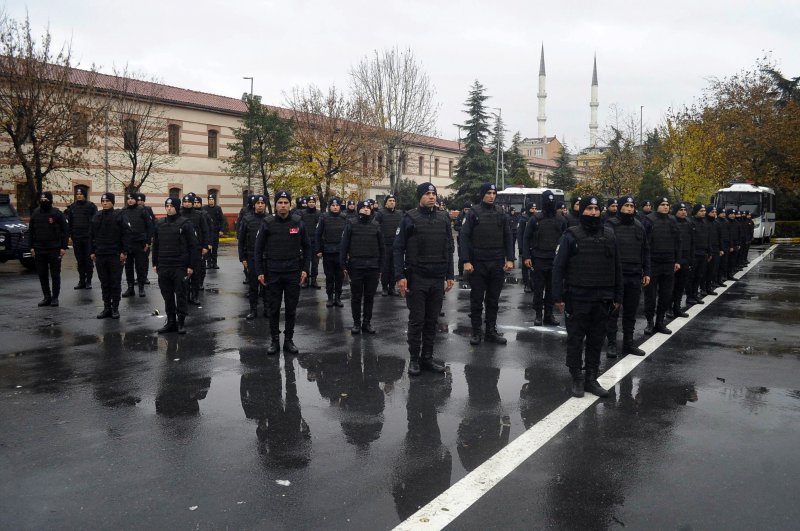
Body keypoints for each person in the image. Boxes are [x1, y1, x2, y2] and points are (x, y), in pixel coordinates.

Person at [552, 196, 622, 398]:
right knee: (575, 340)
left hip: (602, 297)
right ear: (582, 211)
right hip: (577, 297)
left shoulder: (610, 235)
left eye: (596, 209)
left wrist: (618, 296)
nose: (593, 212)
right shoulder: (571, 235)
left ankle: (591, 378)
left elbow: (617, 267)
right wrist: (558, 297)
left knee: (596, 340)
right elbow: (558, 268)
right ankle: (577, 377)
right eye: (589, 209)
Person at [394, 182, 455, 376]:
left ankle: (427, 358)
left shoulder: (444, 218)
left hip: (437, 278)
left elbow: (448, 248)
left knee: (432, 321)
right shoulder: (409, 218)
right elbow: (398, 248)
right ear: (420, 196)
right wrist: (400, 276)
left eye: (433, 193)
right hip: (417, 277)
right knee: (417, 321)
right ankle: (414, 360)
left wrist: (450, 275)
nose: (431, 196)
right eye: (427, 193)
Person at [254, 191, 312, 355]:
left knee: (291, 308)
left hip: (293, 272)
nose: (283, 205)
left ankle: (289, 340)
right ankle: (274, 341)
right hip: (273, 272)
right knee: (273, 308)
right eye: (280, 202)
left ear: (290, 204)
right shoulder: (267, 222)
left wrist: (305, 269)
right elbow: (258, 249)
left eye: (286, 202)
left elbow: (308, 247)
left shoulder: (298, 222)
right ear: (275, 204)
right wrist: (259, 272)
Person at [460, 183, 515, 345]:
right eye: (489, 193)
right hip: (478, 264)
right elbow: (464, 237)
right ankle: (476, 331)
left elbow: (508, 236)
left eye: (494, 193)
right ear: (482, 194)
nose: (492, 196)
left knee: (493, 300)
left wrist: (510, 259)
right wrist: (466, 261)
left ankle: (490, 331)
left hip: (497, 263)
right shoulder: (473, 213)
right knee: (477, 299)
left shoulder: (501, 213)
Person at [605, 196, 650, 357]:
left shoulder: (639, 226)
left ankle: (628, 343)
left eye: (632, 206)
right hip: (616, 276)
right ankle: (611, 344)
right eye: (626, 206)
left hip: (634, 275)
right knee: (613, 312)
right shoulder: (610, 225)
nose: (630, 209)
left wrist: (647, 272)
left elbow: (645, 250)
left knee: (631, 312)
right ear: (620, 208)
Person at [152, 197, 198, 334]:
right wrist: (155, 263)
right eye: (167, 205)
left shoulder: (185, 224)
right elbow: (156, 245)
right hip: (164, 265)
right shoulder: (160, 224)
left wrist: (191, 266)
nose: (169, 208)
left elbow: (193, 246)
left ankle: (181, 322)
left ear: (177, 207)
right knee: (167, 295)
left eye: (171, 205)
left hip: (179, 266)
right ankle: (170, 322)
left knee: (181, 294)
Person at [522, 191, 565, 327]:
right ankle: (538, 315)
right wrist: (526, 256)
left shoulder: (561, 219)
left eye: (552, 202)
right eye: (548, 202)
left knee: (551, 289)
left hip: (555, 260)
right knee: (539, 289)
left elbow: (564, 240)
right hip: (539, 258)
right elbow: (526, 237)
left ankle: (548, 314)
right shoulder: (535, 219)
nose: (550, 204)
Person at [341, 200, 384, 334]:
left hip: (372, 267)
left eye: (368, 207)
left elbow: (382, 248)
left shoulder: (376, 225)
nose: (366, 209)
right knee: (356, 297)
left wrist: (381, 267)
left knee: (369, 297)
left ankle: (367, 323)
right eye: (363, 207)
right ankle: (356, 323)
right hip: (357, 267)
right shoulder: (351, 224)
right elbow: (344, 246)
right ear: (358, 209)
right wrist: (343, 265)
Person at [644, 196, 680, 335]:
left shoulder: (672, 220)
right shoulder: (649, 220)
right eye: (663, 204)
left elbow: (677, 242)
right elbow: (644, 243)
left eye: (667, 204)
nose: (666, 207)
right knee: (650, 296)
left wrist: (676, 260)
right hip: (653, 263)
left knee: (666, 295)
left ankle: (660, 322)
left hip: (668, 263)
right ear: (656, 206)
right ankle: (649, 322)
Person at [90, 193, 129, 319]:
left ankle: (115, 308)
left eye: (107, 200)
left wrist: (124, 252)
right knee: (104, 283)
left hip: (115, 255)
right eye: (103, 201)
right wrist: (92, 251)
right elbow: (91, 235)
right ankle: (106, 307)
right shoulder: (97, 216)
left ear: (112, 202)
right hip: (101, 254)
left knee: (115, 282)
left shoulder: (119, 215)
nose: (104, 203)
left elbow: (126, 234)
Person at [29, 191, 68, 307]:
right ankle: (47, 297)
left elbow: (65, 230)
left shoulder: (57, 213)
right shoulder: (35, 213)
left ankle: (55, 298)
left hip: (54, 249)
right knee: (42, 274)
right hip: (39, 249)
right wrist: (31, 247)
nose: (43, 202)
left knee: (55, 274)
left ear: (50, 201)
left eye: (45, 200)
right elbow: (31, 231)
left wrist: (63, 247)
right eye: (41, 200)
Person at [237, 194, 269, 320]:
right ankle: (253, 310)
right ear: (254, 205)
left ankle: (267, 309)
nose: (260, 205)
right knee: (253, 285)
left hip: (266, 257)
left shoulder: (269, 219)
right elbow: (241, 240)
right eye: (258, 203)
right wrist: (242, 258)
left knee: (266, 285)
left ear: (265, 205)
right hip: (251, 257)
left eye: (262, 203)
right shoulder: (247, 219)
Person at [315, 196, 346, 308]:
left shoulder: (344, 218)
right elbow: (318, 234)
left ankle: (337, 297)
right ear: (329, 207)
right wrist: (318, 250)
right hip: (328, 251)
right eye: (333, 205)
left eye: (337, 205)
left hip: (340, 252)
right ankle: (329, 298)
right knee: (329, 276)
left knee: (339, 276)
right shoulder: (324, 217)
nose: (335, 207)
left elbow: (348, 237)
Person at [121, 192, 153, 298]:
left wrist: (148, 242)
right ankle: (130, 288)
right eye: (128, 198)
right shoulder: (123, 211)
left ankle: (141, 288)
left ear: (135, 200)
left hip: (140, 243)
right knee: (128, 267)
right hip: (128, 244)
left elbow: (149, 226)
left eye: (132, 199)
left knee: (140, 266)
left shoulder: (142, 210)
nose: (130, 200)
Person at [65, 186, 97, 289]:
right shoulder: (73, 207)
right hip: (77, 237)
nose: (78, 196)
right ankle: (81, 280)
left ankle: (89, 281)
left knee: (88, 260)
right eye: (77, 194)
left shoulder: (91, 206)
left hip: (87, 237)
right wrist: (70, 235)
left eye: (81, 194)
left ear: (84, 195)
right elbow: (70, 222)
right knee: (80, 260)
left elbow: (94, 222)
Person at [180, 194, 208, 305]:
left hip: (197, 248)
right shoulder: (179, 214)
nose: (186, 204)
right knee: (184, 274)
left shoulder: (199, 215)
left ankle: (195, 296)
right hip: (183, 249)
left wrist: (205, 246)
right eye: (185, 202)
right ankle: (186, 295)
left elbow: (205, 231)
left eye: (188, 202)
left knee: (195, 273)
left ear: (192, 203)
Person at [374, 194, 402, 296]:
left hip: (396, 244)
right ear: (386, 202)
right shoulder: (380, 213)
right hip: (385, 244)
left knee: (394, 267)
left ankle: (392, 287)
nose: (392, 202)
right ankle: (385, 288)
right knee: (385, 267)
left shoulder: (399, 214)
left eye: (393, 200)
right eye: (390, 200)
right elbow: (375, 227)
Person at [670, 202, 694, 318]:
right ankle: (668, 308)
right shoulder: (671, 222)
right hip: (674, 259)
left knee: (680, 286)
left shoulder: (689, 223)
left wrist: (690, 258)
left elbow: (692, 241)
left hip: (685, 258)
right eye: (681, 209)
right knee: (671, 286)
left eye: (685, 209)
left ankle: (677, 307)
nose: (684, 212)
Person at [687, 204, 710, 305]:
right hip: (694, 254)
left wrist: (709, 251)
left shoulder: (705, 223)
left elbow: (708, 238)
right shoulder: (690, 222)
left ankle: (695, 295)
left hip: (703, 253)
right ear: (696, 211)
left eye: (704, 211)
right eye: (701, 211)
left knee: (699, 276)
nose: (703, 213)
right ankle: (689, 296)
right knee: (691, 276)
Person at [299, 195, 321, 289]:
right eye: (310, 202)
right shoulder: (302, 213)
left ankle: (314, 280)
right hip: (305, 241)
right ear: (307, 203)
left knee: (315, 263)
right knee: (305, 261)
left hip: (315, 241)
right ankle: (305, 280)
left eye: (313, 202)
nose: (311, 204)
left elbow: (321, 229)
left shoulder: (319, 213)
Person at [516, 201, 537, 293]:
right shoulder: (523, 219)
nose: (534, 210)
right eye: (532, 208)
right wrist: (521, 248)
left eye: (535, 208)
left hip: (535, 246)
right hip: (526, 246)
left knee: (534, 267)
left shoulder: (536, 218)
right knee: (526, 267)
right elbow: (520, 234)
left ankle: (533, 283)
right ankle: (526, 284)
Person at [192, 195, 212, 289]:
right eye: (194, 203)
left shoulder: (205, 214)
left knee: (202, 265)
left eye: (197, 203)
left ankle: (200, 282)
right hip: (193, 244)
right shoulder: (190, 214)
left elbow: (209, 230)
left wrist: (209, 243)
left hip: (202, 243)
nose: (196, 204)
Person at [136, 193, 156, 285]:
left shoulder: (148, 209)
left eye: (141, 200)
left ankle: (145, 277)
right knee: (137, 260)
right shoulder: (133, 210)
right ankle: (138, 277)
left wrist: (151, 237)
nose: (140, 202)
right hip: (136, 239)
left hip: (145, 238)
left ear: (144, 201)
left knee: (144, 259)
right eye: (138, 200)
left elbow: (152, 223)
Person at [203, 193, 227, 269]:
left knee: (215, 248)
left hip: (215, 231)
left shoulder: (218, 208)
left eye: (212, 199)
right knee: (208, 248)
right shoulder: (205, 208)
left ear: (214, 200)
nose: (211, 201)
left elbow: (222, 220)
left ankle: (215, 263)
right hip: (207, 232)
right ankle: (209, 263)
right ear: (208, 200)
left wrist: (222, 230)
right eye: (209, 199)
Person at [704, 206, 722, 295]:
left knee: (712, 270)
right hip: (706, 249)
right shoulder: (704, 222)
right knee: (704, 271)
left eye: (715, 212)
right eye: (712, 212)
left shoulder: (716, 223)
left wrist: (720, 249)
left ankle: (709, 287)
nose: (714, 213)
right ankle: (703, 289)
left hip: (715, 249)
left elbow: (720, 237)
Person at [454, 202, 471, 283]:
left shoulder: (472, 215)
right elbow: (455, 226)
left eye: (468, 209)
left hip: (471, 239)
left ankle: (471, 273)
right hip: (461, 238)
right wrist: (463, 229)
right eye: (465, 209)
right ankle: (461, 273)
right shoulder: (460, 216)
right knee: (461, 257)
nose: (467, 211)